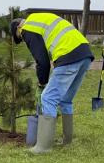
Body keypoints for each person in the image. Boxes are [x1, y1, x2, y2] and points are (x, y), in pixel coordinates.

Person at [11, 13, 94, 154]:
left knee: (47, 97)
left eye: (21, 38)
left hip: (68, 54)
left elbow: (42, 61)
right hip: (84, 53)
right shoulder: (39, 19)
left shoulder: (27, 28)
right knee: (65, 100)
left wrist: (42, 84)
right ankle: (67, 141)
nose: (24, 40)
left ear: (19, 28)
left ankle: (43, 147)